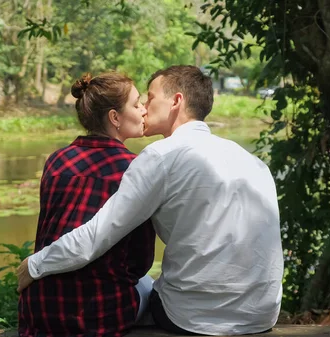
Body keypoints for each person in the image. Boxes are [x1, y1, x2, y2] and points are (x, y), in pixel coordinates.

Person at [17, 65, 284, 335]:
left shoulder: (160, 156)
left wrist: (36, 264)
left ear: (176, 101)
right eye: (139, 102)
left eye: (150, 98)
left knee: (143, 283)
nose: (145, 106)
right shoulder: (252, 161)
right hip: (262, 313)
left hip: (191, 319)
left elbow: (97, 235)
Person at [17, 72, 156, 337]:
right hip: (96, 312)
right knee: (153, 288)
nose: (144, 110)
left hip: (40, 306)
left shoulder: (57, 160)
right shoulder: (135, 168)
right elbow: (141, 260)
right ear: (115, 118)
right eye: (137, 104)